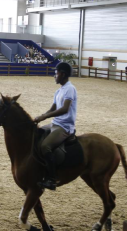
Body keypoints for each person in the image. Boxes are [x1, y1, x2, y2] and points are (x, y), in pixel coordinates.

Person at [34, 62, 77, 191]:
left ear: (63, 74)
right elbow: (53, 107)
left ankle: (52, 179)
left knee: (45, 146)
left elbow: (64, 109)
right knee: (37, 134)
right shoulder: (59, 90)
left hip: (65, 126)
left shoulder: (70, 89)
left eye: (56, 73)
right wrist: (40, 117)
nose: (55, 75)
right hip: (56, 123)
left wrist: (45, 117)